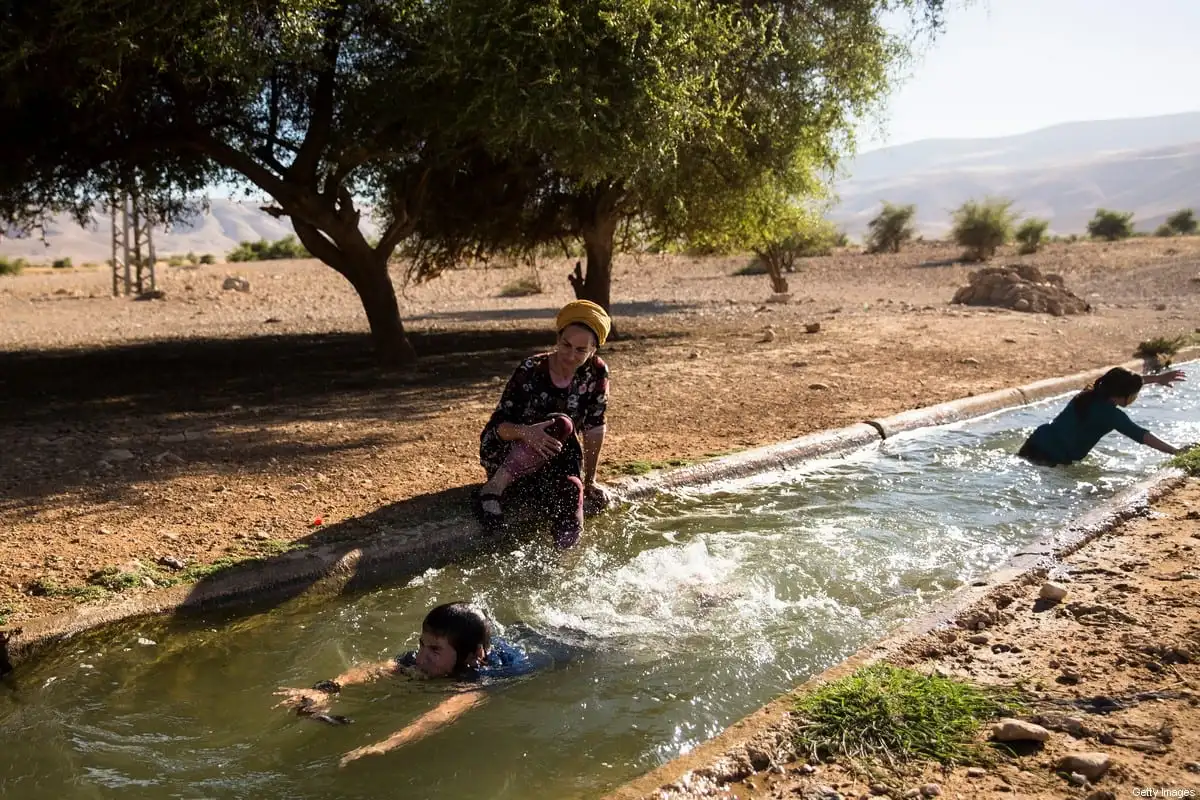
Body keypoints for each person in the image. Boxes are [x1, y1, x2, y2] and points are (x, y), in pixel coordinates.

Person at [273, 602, 552, 767]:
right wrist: (324, 688)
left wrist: (387, 745)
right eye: (421, 645)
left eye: (434, 650)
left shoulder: (477, 680)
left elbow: (440, 715)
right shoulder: (422, 659)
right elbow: (374, 670)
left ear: (471, 657)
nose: (420, 658)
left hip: (552, 648)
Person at [473, 299, 613, 546]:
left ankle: (562, 566)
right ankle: (492, 490)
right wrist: (526, 433)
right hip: (506, 455)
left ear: (594, 350)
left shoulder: (597, 372)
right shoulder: (531, 368)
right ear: (557, 338)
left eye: (581, 350)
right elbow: (498, 428)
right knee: (562, 424)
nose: (570, 355)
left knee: (572, 488)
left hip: (552, 461)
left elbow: (594, 426)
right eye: (565, 344)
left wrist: (590, 481)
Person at [1018, 366, 1189, 466]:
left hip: (1033, 443)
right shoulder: (1112, 415)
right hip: (1052, 459)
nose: (1135, 397)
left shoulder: (1090, 392)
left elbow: (1123, 383)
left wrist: (1157, 378)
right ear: (1120, 396)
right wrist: (1176, 452)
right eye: (1134, 394)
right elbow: (1143, 436)